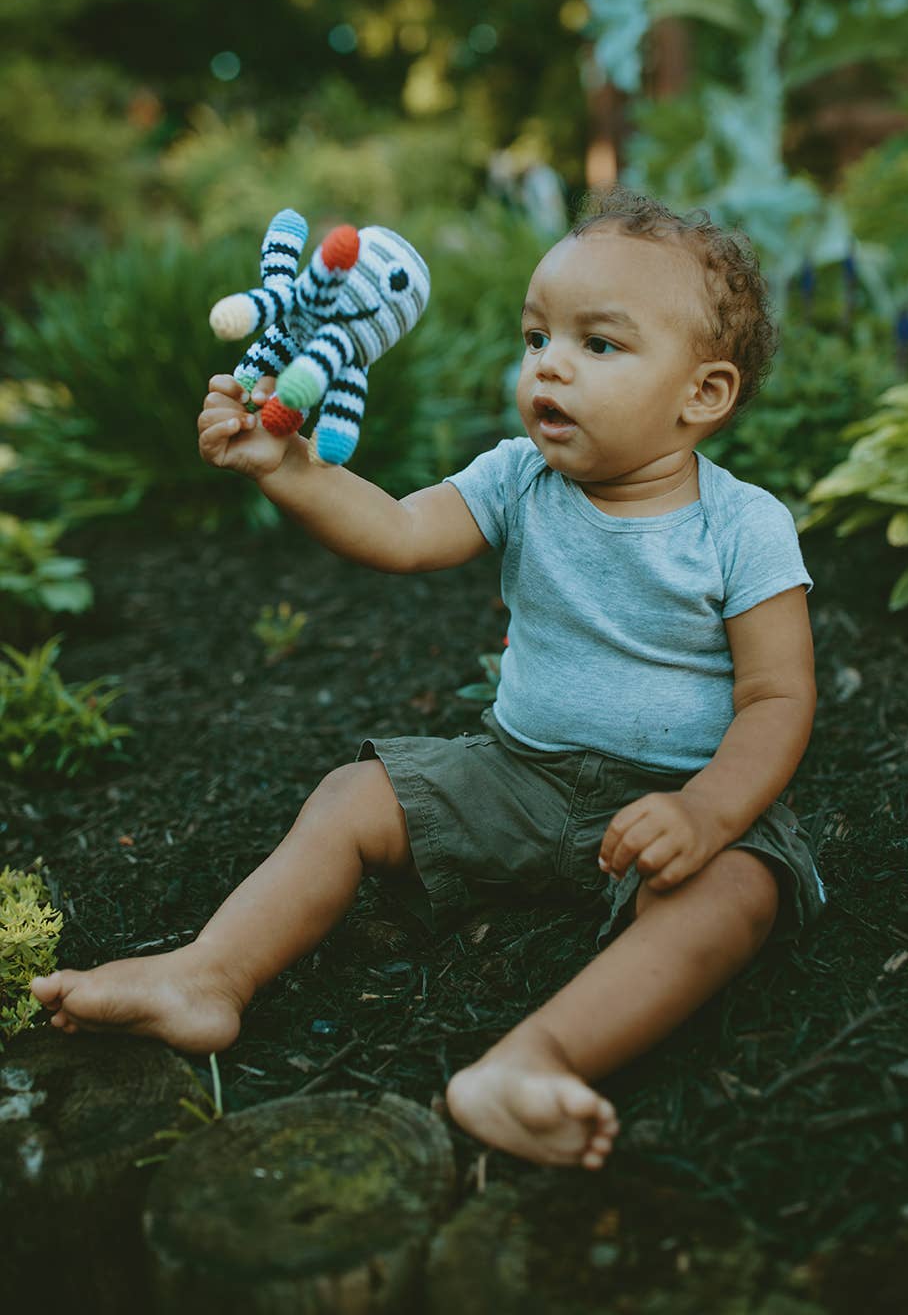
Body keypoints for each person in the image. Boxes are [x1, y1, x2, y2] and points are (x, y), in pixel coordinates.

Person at [31, 190, 823, 1171]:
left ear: (701, 394)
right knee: (354, 797)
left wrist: (706, 811)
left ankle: (532, 1062)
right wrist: (286, 468)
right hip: (519, 775)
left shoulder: (742, 528)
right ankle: (208, 974)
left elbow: (777, 698)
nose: (550, 363)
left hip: (678, 800)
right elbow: (403, 533)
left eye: (598, 345)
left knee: (737, 895)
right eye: (536, 336)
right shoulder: (515, 477)